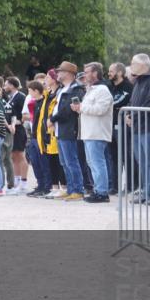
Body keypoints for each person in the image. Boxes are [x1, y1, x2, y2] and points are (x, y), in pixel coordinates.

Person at [127, 53, 150, 204]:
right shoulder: (138, 82)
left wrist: (133, 116)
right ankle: (147, 191)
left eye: (133, 63)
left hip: (148, 128)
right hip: (137, 129)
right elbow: (133, 101)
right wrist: (128, 114)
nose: (130, 66)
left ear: (142, 65)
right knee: (142, 162)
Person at [72, 62, 113, 203]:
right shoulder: (92, 89)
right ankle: (98, 189)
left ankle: (102, 192)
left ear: (95, 73)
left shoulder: (102, 90)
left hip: (97, 132)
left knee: (97, 163)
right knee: (92, 163)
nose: (85, 75)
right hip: (89, 132)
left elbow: (100, 110)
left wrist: (81, 107)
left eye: (87, 72)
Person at [50, 61, 86, 201]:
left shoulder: (76, 89)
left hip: (68, 129)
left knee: (71, 161)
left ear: (68, 73)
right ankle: (70, 188)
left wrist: (53, 119)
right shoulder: (62, 89)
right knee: (64, 162)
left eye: (60, 71)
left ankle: (78, 189)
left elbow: (67, 110)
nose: (57, 74)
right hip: (60, 129)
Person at [107, 62, 133, 194]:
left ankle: (129, 187)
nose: (109, 73)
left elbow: (121, 101)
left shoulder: (128, 86)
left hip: (123, 126)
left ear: (120, 73)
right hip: (111, 125)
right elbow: (109, 102)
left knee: (126, 157)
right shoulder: (110, 87)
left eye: (111, 71)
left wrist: (108, 106)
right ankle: (115, 186)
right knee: (113, 157)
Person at [24, 81, 52, 197]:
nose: (29, 93)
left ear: (36, 91)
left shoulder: (45, 101)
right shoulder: (34, 103)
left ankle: (47, 186)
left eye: (30, 91)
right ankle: (40, 184)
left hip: (41, 137)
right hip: (34, 136)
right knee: (34, 161)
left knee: (43, 162)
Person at [3, 77, 28, 194]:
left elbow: (24, 113)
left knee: (21, 155)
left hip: (18, 129)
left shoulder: (21, 97)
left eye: (6, 84)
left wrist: (19, 121)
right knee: (13, 155)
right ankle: (16, 181)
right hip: (10, 129)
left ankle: (24, 182)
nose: (4, 87)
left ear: (12, 85)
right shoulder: (9, 97)